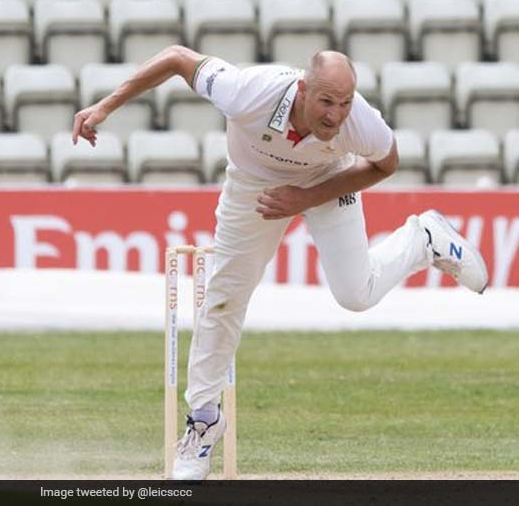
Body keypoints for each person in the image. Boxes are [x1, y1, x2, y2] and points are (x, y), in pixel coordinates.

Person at [71, 45, 488, 480]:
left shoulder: (359, 121)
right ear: (303, 90)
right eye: (326, 101)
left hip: (326, 180)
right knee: (225, 296)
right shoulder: (247, 92)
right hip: (254, 184)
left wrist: (305, 198)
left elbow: (387, 163)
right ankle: (203, 423)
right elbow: (177, 58)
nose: (335, 115)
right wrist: (104, 106)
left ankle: (423, 238)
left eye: (345, 103)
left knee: (355, 295)